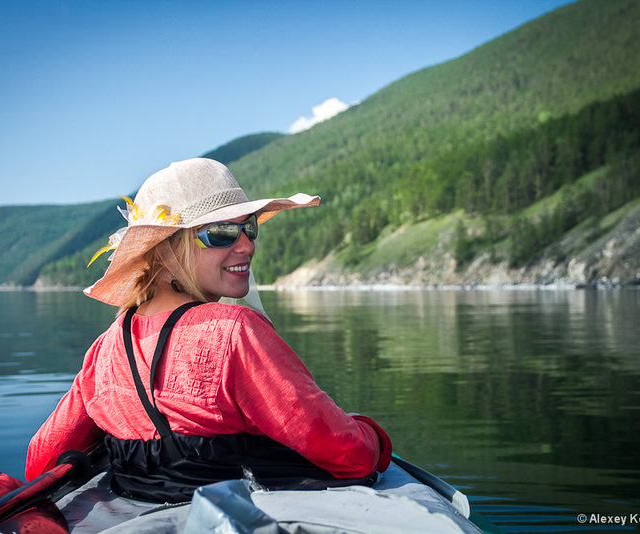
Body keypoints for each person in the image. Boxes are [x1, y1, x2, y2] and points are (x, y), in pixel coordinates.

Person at [25, 158, 392, 502]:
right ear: (165, 252)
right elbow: (351, 455)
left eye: (248, 228)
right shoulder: (234, 332)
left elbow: (41, 462)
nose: (247, 244)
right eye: (221, 233)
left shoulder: (104, 350)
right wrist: (371, 434)